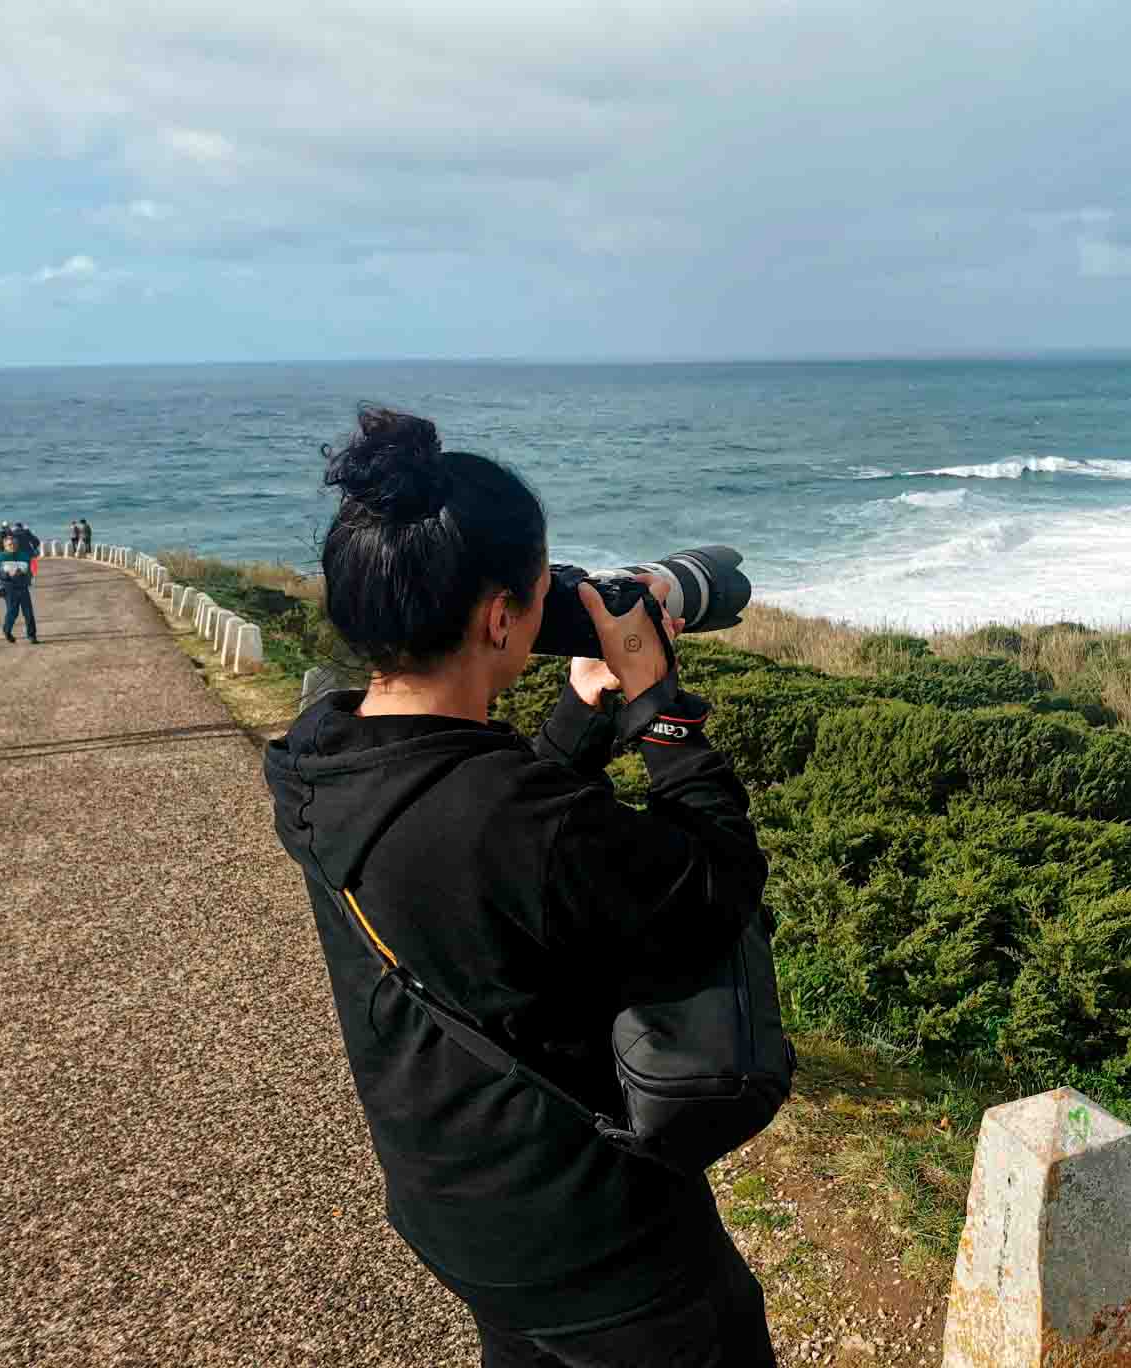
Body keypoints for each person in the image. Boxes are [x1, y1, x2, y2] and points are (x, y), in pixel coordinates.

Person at [262, 407, 775, 1367]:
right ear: (501, 617)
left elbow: (491, 848)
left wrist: (582, 705)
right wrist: (659, 712)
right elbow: (717, 889)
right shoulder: (508, 818)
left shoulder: (321, 758)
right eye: (541, 592)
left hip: (459, 1207)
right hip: (602, 1245)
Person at [0, 531, 39, 643]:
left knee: (28, 612)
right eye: (10, 545)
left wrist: (27, 576)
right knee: (13, 612)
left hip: (23, 587)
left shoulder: (24, 556)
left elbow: (32, 569)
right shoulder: (0, 557)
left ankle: (32, 635)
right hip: (9, 588)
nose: (13, 546)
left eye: (15, 544)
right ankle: (7, 631)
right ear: (5, 545)